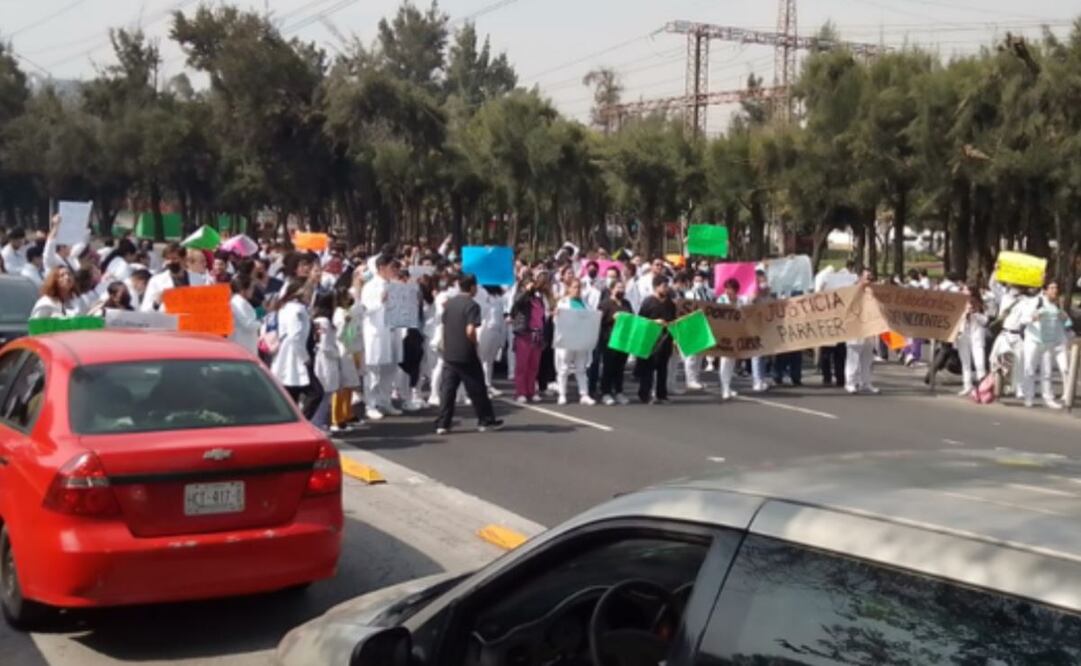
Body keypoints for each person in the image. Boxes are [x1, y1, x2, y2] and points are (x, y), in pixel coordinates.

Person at [434, 274, 504, 435]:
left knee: (448, 390)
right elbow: (470, 329)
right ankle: (485, 420)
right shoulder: (472, 305)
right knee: (477, 388)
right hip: (466, 351)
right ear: (472, 287)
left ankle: (443, 423)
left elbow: (444, 325)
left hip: (450, 351)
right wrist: (474, 342)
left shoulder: (450, 304)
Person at [271, 278, 322, 419]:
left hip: (289, 356)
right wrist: (305, 358)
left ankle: (293, 424)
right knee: (316, 392)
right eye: (309, 290)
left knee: (292, 394)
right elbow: (296, 336)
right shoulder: (297, 310)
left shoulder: (286, 308)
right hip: (295, 356)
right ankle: (303, 422)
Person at [360, 255, 403, 420]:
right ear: (381, 268)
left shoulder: (394, 285)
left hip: (392, 331)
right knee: (373, 371)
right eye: (392, 267)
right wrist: (381, 301)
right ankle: (370, 405)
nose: (395, 271)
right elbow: (365, 310)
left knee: (390, 369)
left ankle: (385, 401)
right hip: (376, 333)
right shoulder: (370, 286)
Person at [1019, 280, 1068, 409]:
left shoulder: (1056, 305)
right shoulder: (1036, 302)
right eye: (1051, 288)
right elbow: (1023, 319)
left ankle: (1048, 398)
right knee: (1030, 368)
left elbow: (1063, 322)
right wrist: (1033, 318)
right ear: (1045, 290)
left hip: (1048, 342)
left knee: (1047, 371)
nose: (1055, 290)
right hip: (1033, 340)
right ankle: (1029, 397)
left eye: (1056, 288)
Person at [554, 278, 597, 406]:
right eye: (574, 287)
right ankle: (562, 394)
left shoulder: (586, 304)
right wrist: (556, 315)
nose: (577, 290)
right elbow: (557, 321)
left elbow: (591, 319)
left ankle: (584, 394)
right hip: (567, 340)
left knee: (581, 368)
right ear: (568, 288)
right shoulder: (562, 303)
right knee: (564, 368)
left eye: (579, 287)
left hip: (581, 340)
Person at [636, 275, 677, 404]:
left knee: (663, 369)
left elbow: (673, 320)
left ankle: (661, 395)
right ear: (656, 287)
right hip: (651, 340)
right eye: (663, 286)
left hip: (666, 339)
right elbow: (641, 321)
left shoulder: (670, 303)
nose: (666, 289)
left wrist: (674, 337)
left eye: (667, 286)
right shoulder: (648, 302)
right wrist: (655, 322)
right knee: (648, 369)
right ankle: (645, 394)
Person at [331, 284, 364, 431]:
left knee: (350, 384)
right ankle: (336, 418)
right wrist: (345, 322)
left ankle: (347, 413)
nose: (350, 297)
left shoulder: (348, 311)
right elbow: (338, 335)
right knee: (341, 386)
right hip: (342, 350)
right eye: (347, 295)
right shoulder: (339, 313)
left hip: (352, 349)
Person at [511, 276, 546, 403]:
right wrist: (526, 290)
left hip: (537, 335)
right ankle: (521, 392)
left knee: (534, 365)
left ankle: (531, 390)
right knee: (522, 365)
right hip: (524, 334)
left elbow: (542, 317)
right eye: (529, 283)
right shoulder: (521, 298)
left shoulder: (538, 299)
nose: (532, 286)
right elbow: (517, 302)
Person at [845, 270, 880, 395]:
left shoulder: (873, 292)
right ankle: (850, 383)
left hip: (869, 330)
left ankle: (865, 383)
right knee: (853, 359)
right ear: (860, 278)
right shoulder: (852, 291)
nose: (869, 280)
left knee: (867, 359)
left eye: (871, 278)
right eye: (867, 277)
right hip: (855, 329)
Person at [598, 280, 633, 406]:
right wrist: (611, 318)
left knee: (620, 367)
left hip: (624, 340)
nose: (621, 290)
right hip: (609, 339)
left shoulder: (626, 303)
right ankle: (605, 392)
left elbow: (632, 318)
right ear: (611, 289)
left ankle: (619, 391)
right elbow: (598, 321)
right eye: (618, 287)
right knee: (609, 366)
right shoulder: (605, 304)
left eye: (623, 288)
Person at [310, 293, 340, 431]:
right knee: (324, 394)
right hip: (325, 360)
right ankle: (317, 423)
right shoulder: (324, 322)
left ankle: (319, 422)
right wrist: (337, 353)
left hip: (322, 360)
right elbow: (326, 345)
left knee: (324, 393)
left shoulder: (319, 320)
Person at [956, 286, 990, 396]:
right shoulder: (958, 304)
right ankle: (967, 385)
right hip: (963, 336)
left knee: (979, 363)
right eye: (963, 291)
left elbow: (985, 321)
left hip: (977, 336)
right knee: (965, 363)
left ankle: (982, 387)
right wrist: (964, 313)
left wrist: (974, 314)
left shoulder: (981, 305)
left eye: (967, 292)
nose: (964, 293)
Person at [716, 278, 745, 401]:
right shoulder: (721, 300)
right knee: (724, 360)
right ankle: (724, 388)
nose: (727, 291)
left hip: (735, 333)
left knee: (732, 361)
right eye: (726, 288)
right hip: (723, 334)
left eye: (730, 289)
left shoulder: (740, 301)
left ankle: (728, 385)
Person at [229, 273, 261, 356]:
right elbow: (248, 324)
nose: (253, 291)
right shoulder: (239, 303)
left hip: (245, 345)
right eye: (251, 288)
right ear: (243, 290)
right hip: (242, 346)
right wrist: (262, 322)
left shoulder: (240, 301)